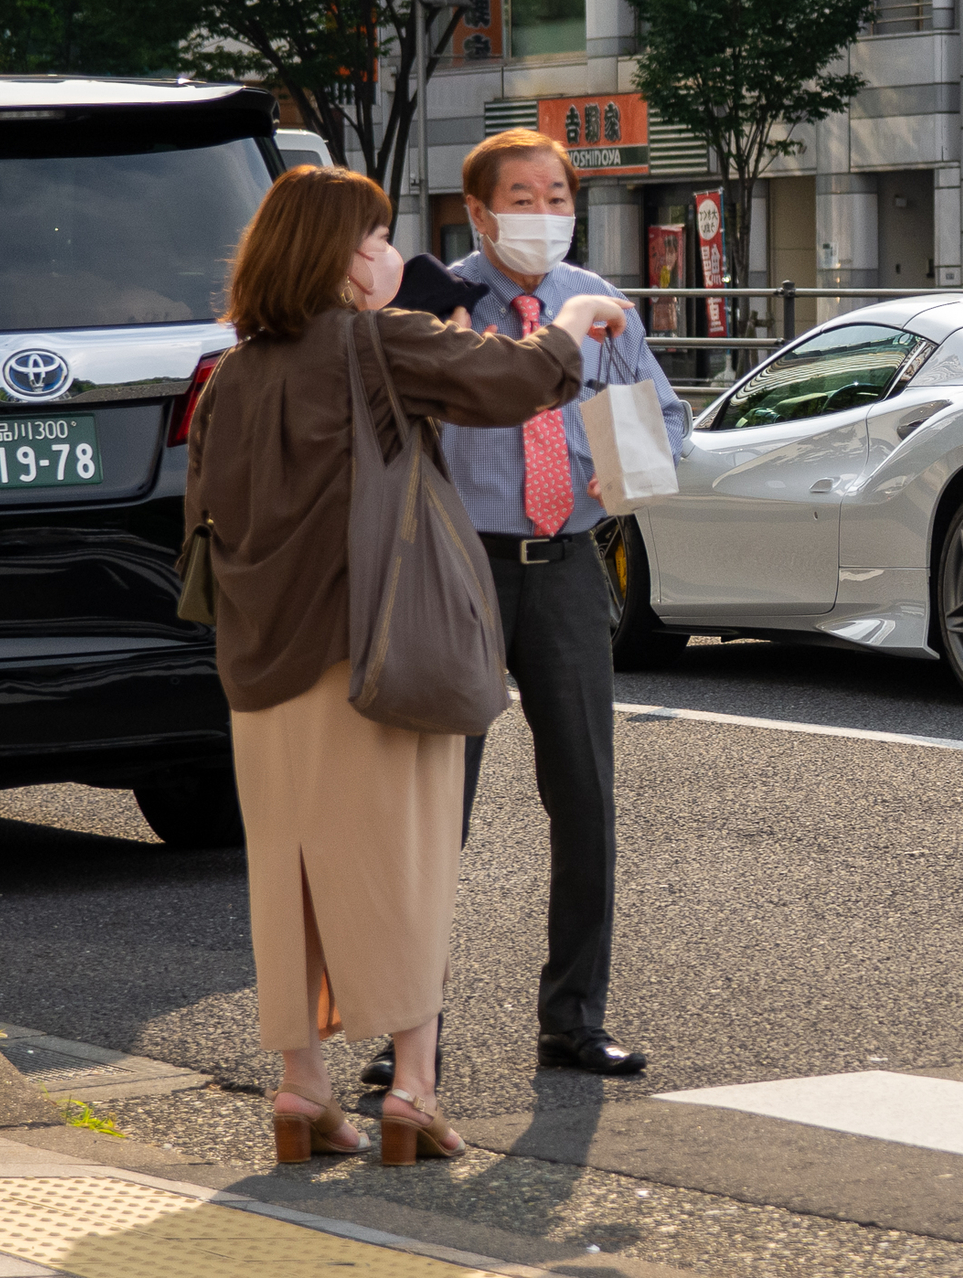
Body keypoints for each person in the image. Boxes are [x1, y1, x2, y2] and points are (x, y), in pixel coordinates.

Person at [184, 164, 630, 1164]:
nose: (391, 256)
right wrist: (579, 321)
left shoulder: (232, 374)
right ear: (341, 260)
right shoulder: (379, 342)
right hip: (376, 653)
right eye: (377, 239)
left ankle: (303, 1092)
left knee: (289, 877)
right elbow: (514, 381)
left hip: (261, 667)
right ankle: (412, 1094)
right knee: (406, 867)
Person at [359, 128, 689, 1088]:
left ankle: (575, 1017)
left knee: (584, 793)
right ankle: (408, 1025)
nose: (543, 213)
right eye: (523, 195)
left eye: (557, 195)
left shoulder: (604, 309)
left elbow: (663, 422)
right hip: (455, 568)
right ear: (479, 209)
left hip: (569, 562)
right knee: (434, 807)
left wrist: (596, 445)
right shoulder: (434, 299)